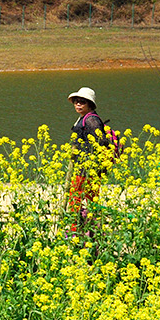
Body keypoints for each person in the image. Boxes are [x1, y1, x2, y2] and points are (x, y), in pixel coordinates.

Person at [68, 86, 111, 233]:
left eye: (82, 102)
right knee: (81, 199)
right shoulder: (83, 118)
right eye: (76, 101)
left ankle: (80, 231)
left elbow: (101, 143)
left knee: (79, 199)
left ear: (90, 104)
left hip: (88, 169)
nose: (78, 104)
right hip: (84, 167)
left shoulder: (92, 119)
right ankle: (84, 230)